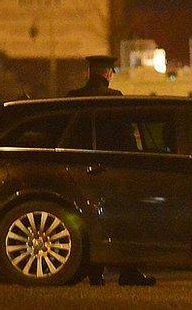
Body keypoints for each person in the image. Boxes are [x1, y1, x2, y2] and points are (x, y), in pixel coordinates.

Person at [67, 56, 156, 287]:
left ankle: (94, 272)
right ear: (108, 73)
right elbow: (125, 137)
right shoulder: (114, 98)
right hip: (111, 170)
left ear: (90, 73)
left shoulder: (72, 98)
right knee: (123, 219)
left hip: (78, 168)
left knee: (87, 218)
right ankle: (128, 270)